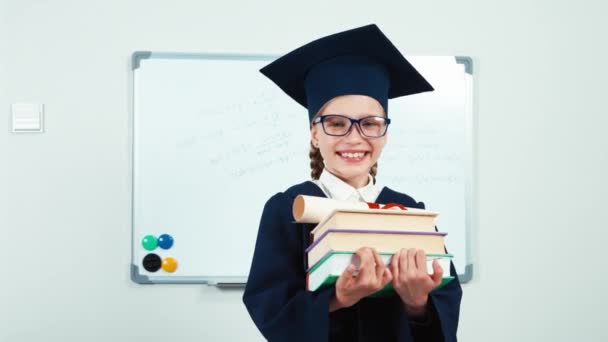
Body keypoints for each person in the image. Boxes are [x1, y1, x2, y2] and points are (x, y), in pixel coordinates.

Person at [243, 24, 462, 342]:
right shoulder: (289, 208)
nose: (354, 137)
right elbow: (270, 308)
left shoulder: (410, 211)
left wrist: (417, 303)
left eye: (370, 124)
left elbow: (444, 305)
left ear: (384, 134)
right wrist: (339, 299)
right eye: (336, 124)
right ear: (315, 134)